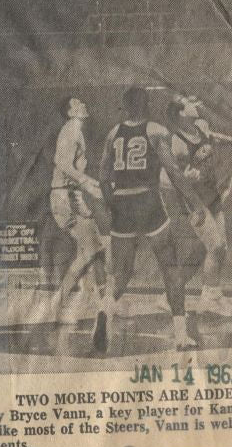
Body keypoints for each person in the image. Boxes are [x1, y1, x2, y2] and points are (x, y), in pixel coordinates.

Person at [99, 86, 207, 352]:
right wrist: (195, 203)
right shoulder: (156, 130)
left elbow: (103, 176)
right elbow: (173, 171)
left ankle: (104, 310)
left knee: (121, 274)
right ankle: (181, 336)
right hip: (147, 202)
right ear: (146, 105)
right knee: (170, 269)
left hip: (122, 203)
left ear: (125, 107)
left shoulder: (113, 134)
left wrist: (113, 204)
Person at [161, 95, 232, 317]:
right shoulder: (176, 141)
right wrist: (187, 178)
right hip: (195, 201)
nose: (194, 100)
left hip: (212, 195)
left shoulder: (201, 126)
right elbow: (167, 178)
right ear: (181, 114)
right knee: (216, 247)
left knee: (215, 248)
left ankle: (169, 294)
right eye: (188, 101)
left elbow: (215, 137)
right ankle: (211, 298)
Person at [50, 97, 108, 320]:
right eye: (77, 103)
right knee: (91, 250)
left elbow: (71, 167)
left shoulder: (76, 130)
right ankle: (59, 302)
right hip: (65, 197)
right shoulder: (71, 129)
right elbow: (61, 162)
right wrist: (85, 182)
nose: (83, 104)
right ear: (70, 111)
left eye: (83, 102)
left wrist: (90, 183)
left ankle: (103, 303)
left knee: (96, 250)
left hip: (71, 194)